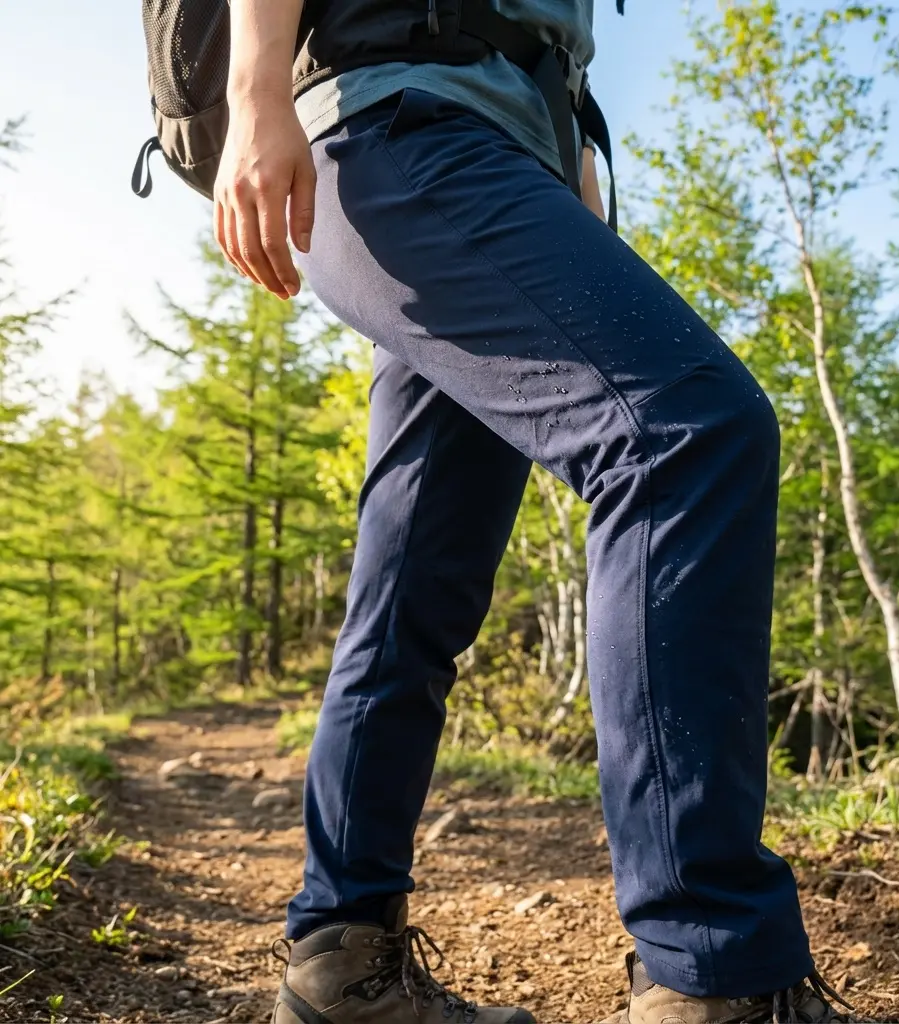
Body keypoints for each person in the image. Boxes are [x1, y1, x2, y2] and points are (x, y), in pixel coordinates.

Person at [212, 2, 851, 1022]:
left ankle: (340, 961)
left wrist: (566, 180)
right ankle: (710, 972)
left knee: (415, 581)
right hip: (396, 134)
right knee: (686, 432)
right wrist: (253, 95)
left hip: (486, 159)